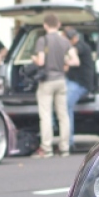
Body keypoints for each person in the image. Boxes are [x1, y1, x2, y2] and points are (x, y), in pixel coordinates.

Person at [32, 13, 76, 157]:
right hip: (61, 81)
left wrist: (33, 58)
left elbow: (41, 62)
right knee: (63, 115)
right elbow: (75, 61)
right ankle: (64, 148)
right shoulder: (64, 41)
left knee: (46, 115)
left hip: (47, 82)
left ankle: (47, 148)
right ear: (58, 25)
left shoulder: (42, 40)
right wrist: (65, 63)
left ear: (45, 25)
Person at [64, 27, 96, 152]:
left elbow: (75, 52)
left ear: (72, 38)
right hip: (71, 81)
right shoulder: (75, 46)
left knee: (66, 105)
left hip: (81, 84)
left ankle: (69, 142)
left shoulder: (81, 46)